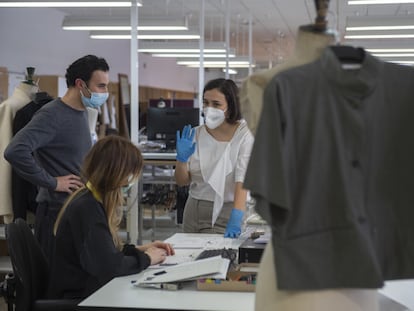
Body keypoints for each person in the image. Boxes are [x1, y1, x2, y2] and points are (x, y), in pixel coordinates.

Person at [4, 55, 110, 259]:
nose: (105, 93)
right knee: (57, 283)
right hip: (56, 212)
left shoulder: (81, 112)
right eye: (101, 86)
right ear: (81, 84)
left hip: (74, 209)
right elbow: (14, 150)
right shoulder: (52, 114)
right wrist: (52, 182)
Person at [48, 135, 175, 299]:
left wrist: (139, 250)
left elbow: (104, 252)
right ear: (116, 173)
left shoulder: (89, 199)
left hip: (86, 289)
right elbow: (109, 267)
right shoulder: (87, 209)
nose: (130, 180)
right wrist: (147, 259)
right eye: (129, 174)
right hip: (79, 297)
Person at [174, 78, 254, 238]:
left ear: (231, 107)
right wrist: (181, 160)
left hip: (226, 210)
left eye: (216, 104)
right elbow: (182, 181)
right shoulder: (194, 134)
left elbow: (242, 180)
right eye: (205, 103)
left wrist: (236, 216)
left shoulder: (245, 135)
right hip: (193, 208)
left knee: (217, 259)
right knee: (189, 258)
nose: (209, 109)